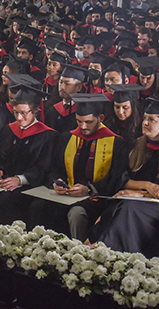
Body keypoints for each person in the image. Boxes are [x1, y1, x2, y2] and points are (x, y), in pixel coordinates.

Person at [91, 99, 159, 266]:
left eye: (152, 120)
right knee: (119, 205)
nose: (145, 123)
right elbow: (120, 179)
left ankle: (107, 258)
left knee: (128, 207)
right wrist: (147, 186)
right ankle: (99, 252)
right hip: (134, 205)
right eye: (144, 118)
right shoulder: (136, 145)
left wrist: (138, 194)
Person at [38, 94, 128, 240]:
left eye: (88, 122)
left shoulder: (117, 144)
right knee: (39, 206)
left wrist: (89, 189)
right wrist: (57, 182)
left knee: (76, 213)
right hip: (66, 196)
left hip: (96, 199)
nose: (83, 127)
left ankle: (78, 253)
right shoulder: (67, 138)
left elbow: (116, 179)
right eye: (79, 121)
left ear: (101, 119)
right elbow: (55, 169)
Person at [0, 84, 56, 225]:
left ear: (36, 111)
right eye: (15, 112)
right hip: (4, 182)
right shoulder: (8, 130)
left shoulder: (47, 136)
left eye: (24, 113)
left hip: (30, 186)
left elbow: (43, 168)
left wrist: (20, 179)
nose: (19, 117)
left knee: (3, 202)